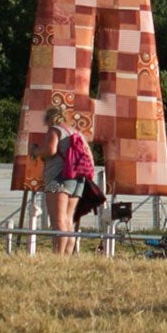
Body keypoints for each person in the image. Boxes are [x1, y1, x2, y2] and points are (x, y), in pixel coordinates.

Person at [37, 103, 92, 256]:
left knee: (58, 220)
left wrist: (36, 151)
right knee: (68, 220)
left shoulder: (55, 130)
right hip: (78, 180)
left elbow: (50, 150)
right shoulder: (76, 132)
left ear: (49, 118)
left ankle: (58, 256)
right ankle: (66, 257)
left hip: (58, 179)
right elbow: (89, 157)